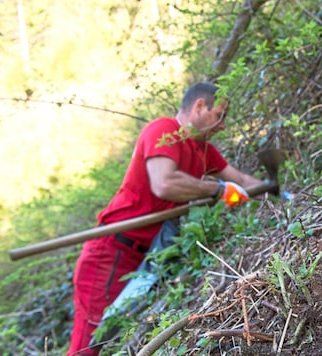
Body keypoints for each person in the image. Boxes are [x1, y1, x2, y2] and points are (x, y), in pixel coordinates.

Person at [67, 81, 263, 355]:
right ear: (199, 106)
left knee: (116, 342)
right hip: (112, 252)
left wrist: (274, 191)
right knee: (89, 346)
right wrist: (219, 190)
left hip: (148, 257)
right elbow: (164, 183)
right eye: (218, 116)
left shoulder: (203, 150)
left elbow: (240, 179)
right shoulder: (163, 130)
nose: (222, 126)